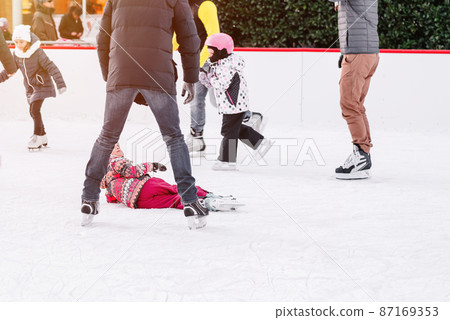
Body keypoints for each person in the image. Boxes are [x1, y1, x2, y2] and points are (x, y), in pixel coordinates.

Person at [81, 0, 210, 230]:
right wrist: (191, 78)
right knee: (174, 138)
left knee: (107, 136)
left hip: (121, 71)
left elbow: (102, 38)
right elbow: (189, 38)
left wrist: (110, 74)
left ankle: (89, 198)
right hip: (158, 73)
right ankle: (190, 201)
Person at [179, 0, 264, 153]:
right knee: (196, 98)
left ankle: (248, 117)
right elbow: (175, 35)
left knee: (216, 100)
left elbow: (214, 35)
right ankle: (197, 137)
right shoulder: (182, 7)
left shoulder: (205, 5)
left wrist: (200, 62)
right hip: (198, 60)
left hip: (211, 60)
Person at [97, 144, 241, 221]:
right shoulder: (115, 161)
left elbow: (111, 199)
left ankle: (206, 204)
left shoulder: (108, 180)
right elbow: (131, 171)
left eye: (118, 144)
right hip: (145, 186)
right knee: (176, 189)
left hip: (138, 202)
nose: (117, 146)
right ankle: (209, 196)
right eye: (113, 146)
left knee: (172, 200)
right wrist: (152, 166)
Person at [199, 33, 272, 171]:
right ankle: (260, 142)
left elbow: (222, 84)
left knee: (228, 132)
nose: (209, 55)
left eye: (211, 52)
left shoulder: (227, 67)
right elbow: (211, 84)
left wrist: (210, 74)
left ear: (222, 51)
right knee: (233, 129)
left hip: (234, 104)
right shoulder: (220, 64)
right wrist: (204, 75)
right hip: (231, 104)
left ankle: (227, 161)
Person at [330, 0, 380, 180]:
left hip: (358, 53)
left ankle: (361, 157)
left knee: (349, 105)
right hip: (368, 52)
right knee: (357, 105)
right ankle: (362, 154)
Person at [0, 25, 66, 149]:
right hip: (30, 88)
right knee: (33, 111)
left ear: (28, 41)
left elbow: (51, 67)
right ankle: (43, 135)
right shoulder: (17, 54)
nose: (19, 44)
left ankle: (37, 136)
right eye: (16, 42)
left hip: (42, 85)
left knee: (34, 110)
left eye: (21, 42)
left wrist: (60, 84)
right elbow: (10, 70)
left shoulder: (37, 52)